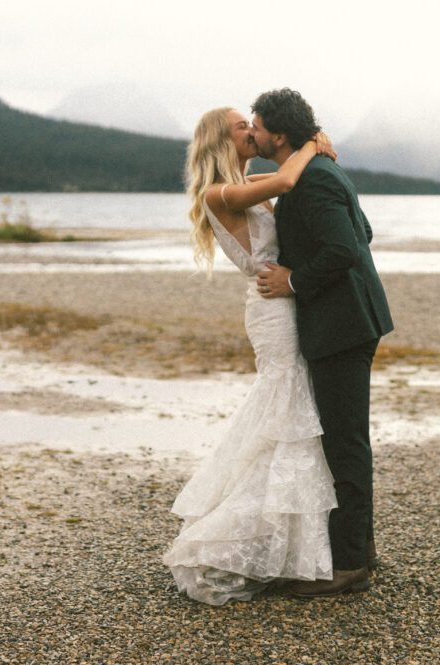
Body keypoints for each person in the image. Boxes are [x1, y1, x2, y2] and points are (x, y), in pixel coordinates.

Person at [162, 107, 339, 605]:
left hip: (282, 300)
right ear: (222, 140)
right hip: (271, 308)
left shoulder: (249, 182)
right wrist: (312, 142)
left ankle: (286, 547)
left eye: (252, 124)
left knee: (288, 412)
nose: (251, 132)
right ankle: (253, 539)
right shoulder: (218, 192)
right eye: (242, 126)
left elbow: (289, 201)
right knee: (286, 412)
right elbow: (287, 179)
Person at [251, 88, 394, 598]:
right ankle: (360, 549)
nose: (254, 133)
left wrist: (292, 280)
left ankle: (351, 563)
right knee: (344, 437)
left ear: (279, 134)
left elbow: (345, 249)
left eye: (258, 126)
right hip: (349, 320)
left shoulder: (313, 178)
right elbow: (365, 232)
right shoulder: (317, 172)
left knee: (345, 441)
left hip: (343, 326)